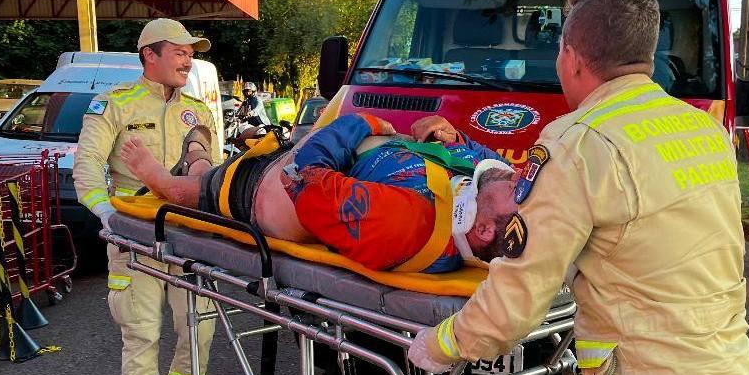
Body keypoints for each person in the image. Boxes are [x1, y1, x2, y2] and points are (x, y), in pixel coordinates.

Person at [408, 0, 749, 375]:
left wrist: (439, 346)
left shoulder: (581, 143)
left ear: (571, 57)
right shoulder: (704, 133)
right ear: (647, 56)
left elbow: (514, 304)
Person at [73, 18, 221, 375]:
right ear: (149, 56)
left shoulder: (198, 109)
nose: (188, 58)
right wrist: (109, 218)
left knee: (199, 326)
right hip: (133, 240)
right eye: (178, 51)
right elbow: (87, 166)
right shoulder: (114, 105)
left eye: (190, 52)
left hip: (188, 237)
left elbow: (209, 176)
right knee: (140, 334)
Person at [119, 113, 519, 272]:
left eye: (520, 192)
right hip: (344, 156)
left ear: (483, 230)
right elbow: (489, 160)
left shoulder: (407, 223)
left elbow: (302, 177)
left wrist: (358, 124)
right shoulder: (479, 191)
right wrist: (453, 136)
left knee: (223, 187)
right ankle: (198, 157)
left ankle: (174, 181)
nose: (520, 179)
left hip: (276, 189)